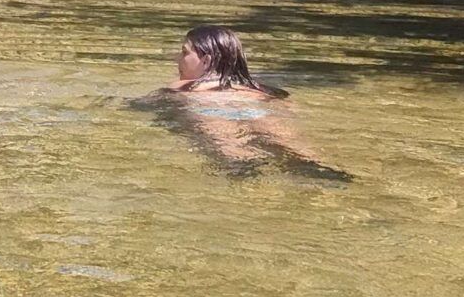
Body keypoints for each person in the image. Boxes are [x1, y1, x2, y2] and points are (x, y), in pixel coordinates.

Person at [143, 25, 346, 181]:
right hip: (257, 107)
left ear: (206, 60)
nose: (178, 58)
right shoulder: (260, 89)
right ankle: (313, 163)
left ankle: (242, 165)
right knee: (287, 141)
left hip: (210, 106)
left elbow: (150, 105)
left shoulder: (184, 87)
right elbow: (288, 106)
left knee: (227, 143)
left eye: (185, 52)